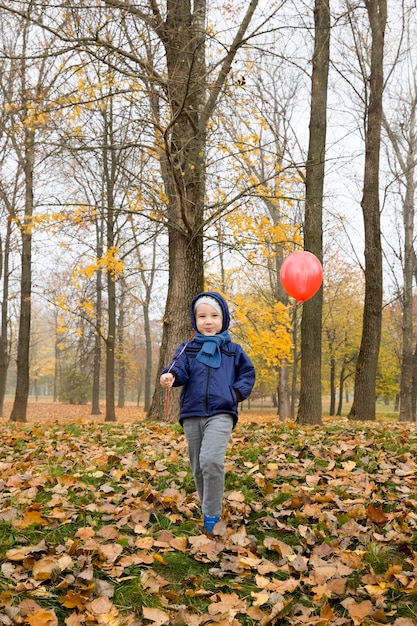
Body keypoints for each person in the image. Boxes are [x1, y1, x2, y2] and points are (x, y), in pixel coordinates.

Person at [160, 291, 255, 534]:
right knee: (198, 466)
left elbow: (247, 374)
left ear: (224, 318)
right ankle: (207, 507)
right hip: (192, 414)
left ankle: (211, 515)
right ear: (195, 320)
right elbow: (177, 368)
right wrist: (170, 376)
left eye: (214, 315)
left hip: (221, 412)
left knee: (211, 460)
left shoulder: (233, 350)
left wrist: (233, 395)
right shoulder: (188, 348)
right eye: (202, 316)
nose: (208, 321)